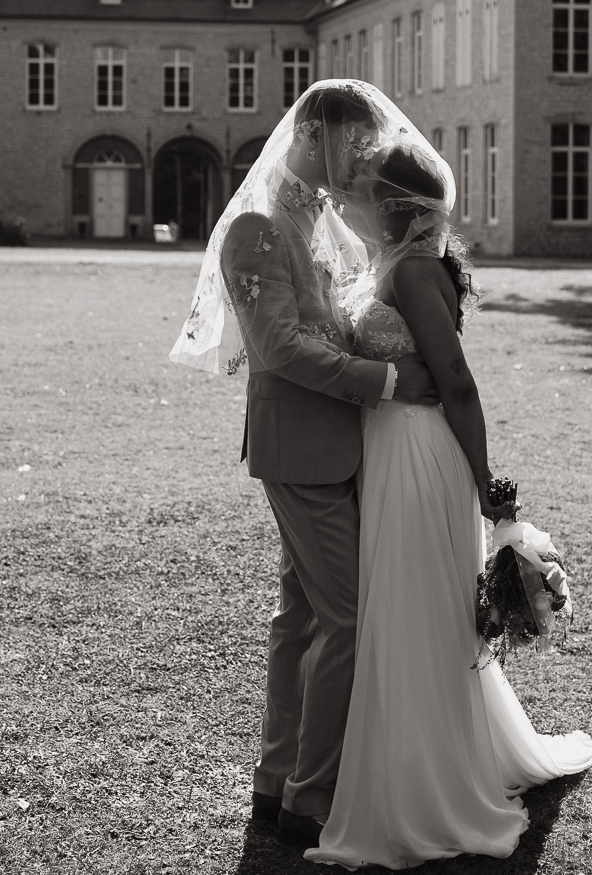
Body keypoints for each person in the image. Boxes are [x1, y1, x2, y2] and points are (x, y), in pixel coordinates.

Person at [303, 106, 592, 870]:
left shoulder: (411, 270)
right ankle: (421, 759)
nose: (355, 198)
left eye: (367, 190)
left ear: (397, 206)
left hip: (422, 458)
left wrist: (484, 481)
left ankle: (425, 783)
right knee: (407, 605)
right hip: (390, 448)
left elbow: (458, 383)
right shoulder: (397, 264)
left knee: (415, 610)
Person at [169, 82, 459, 848]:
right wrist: (390, 380)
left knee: (300, 617)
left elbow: (334, 320)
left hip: (335, 442)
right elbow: (279, 349)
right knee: (348, 616)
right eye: (350, 147)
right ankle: (310, 792)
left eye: (363, 152)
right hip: (299, 448)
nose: (355, 165)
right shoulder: (258, 227)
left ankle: (276, 779)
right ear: (312, 132)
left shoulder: (312, 219)